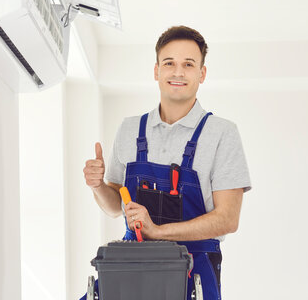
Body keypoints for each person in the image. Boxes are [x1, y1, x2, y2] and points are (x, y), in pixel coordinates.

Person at [83, 25, 251, 300]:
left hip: (194, 272)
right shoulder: (129, 129)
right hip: (132, 268)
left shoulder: (222, 133)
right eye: (169, 63)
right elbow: (115, 207)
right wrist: (98, 185)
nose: (177, 72)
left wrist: (158, 232)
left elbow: (228, 219)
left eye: (188, 64)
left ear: (202, 73)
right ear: (156, 71)